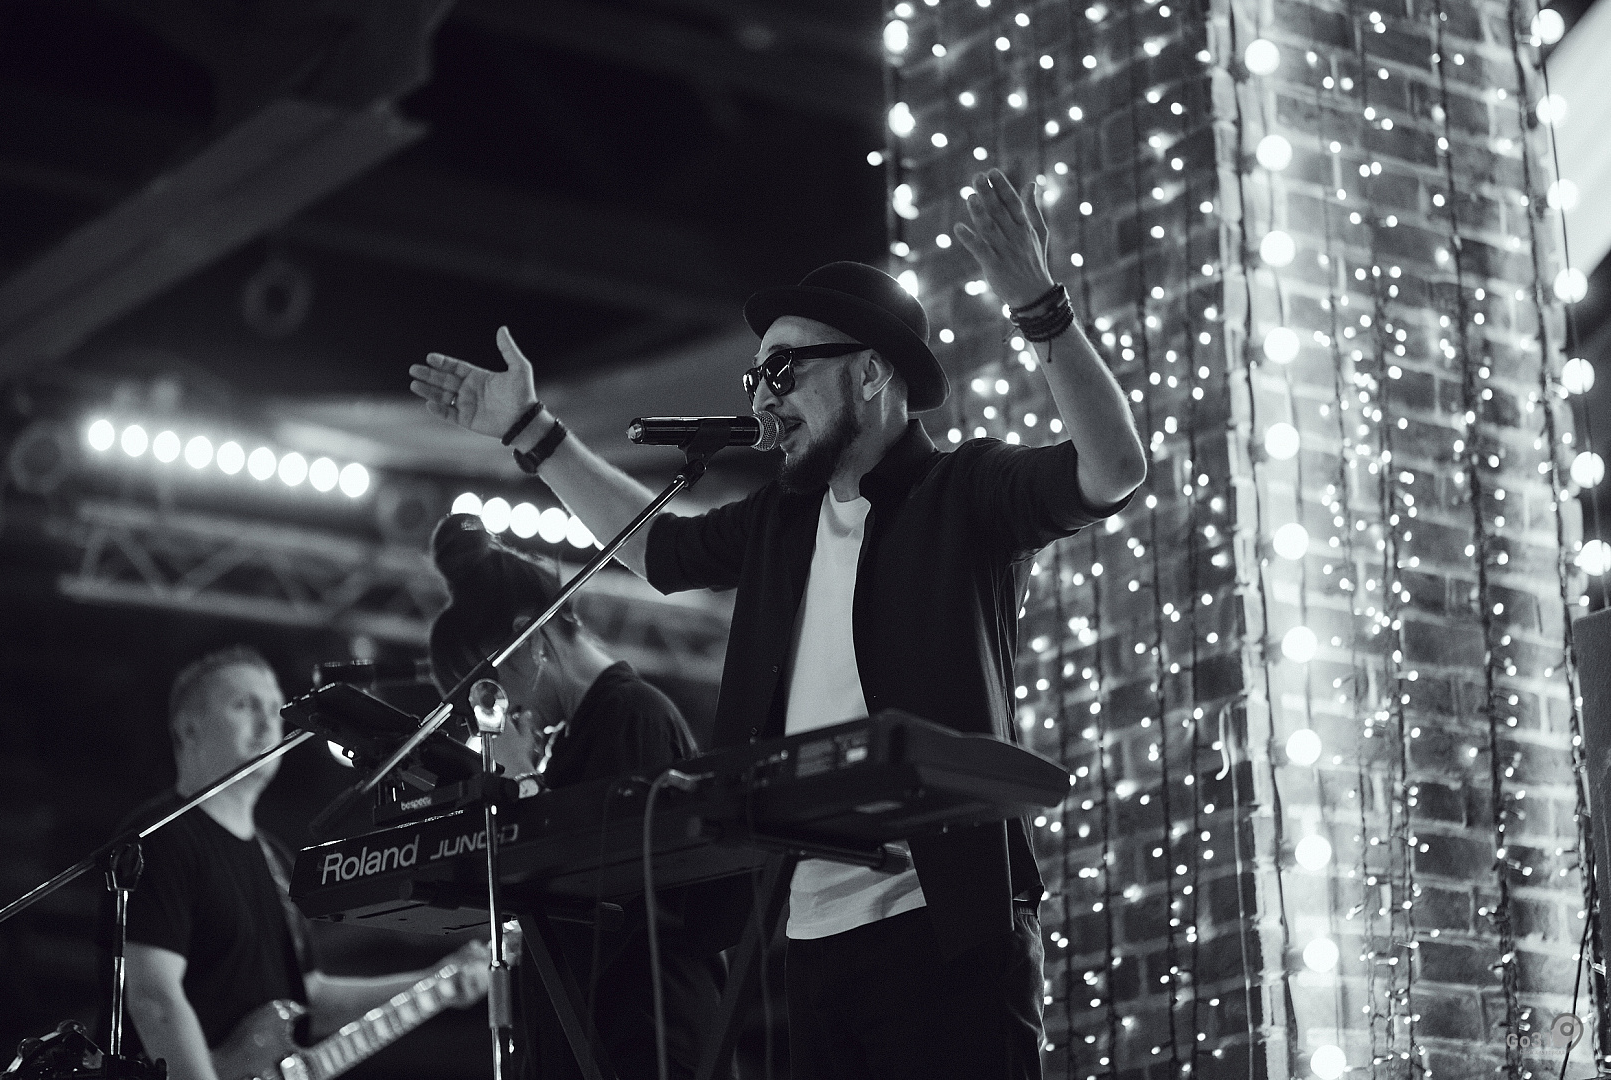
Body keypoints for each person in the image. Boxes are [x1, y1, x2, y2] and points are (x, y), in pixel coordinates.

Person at [409, 167, 1147, 1079]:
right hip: (808, 934)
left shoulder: (963, 491)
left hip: (947, 928)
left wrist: (1040, 308)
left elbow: (1112, 470)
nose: (762, 398)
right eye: (756, 375)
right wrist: (531, 429)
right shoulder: (781, 525)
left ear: (871, 372)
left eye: (785, 371)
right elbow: (659, 550)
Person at [426, 514, 724, 1080]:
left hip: (646, 1045)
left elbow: (608, 911)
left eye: (487, 696)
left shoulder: (630, 716)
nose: (493, 719)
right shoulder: (576, 740)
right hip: (594, 1043)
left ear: (529, 641)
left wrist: (523, 780)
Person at [117, 645, 484, 1080]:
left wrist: (436, 983)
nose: (267, 723)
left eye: (273, 707)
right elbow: (153, 997)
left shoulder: (273, 859)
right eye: (243, 705)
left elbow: (311, 1000)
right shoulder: (160, 839)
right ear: (188, 729)